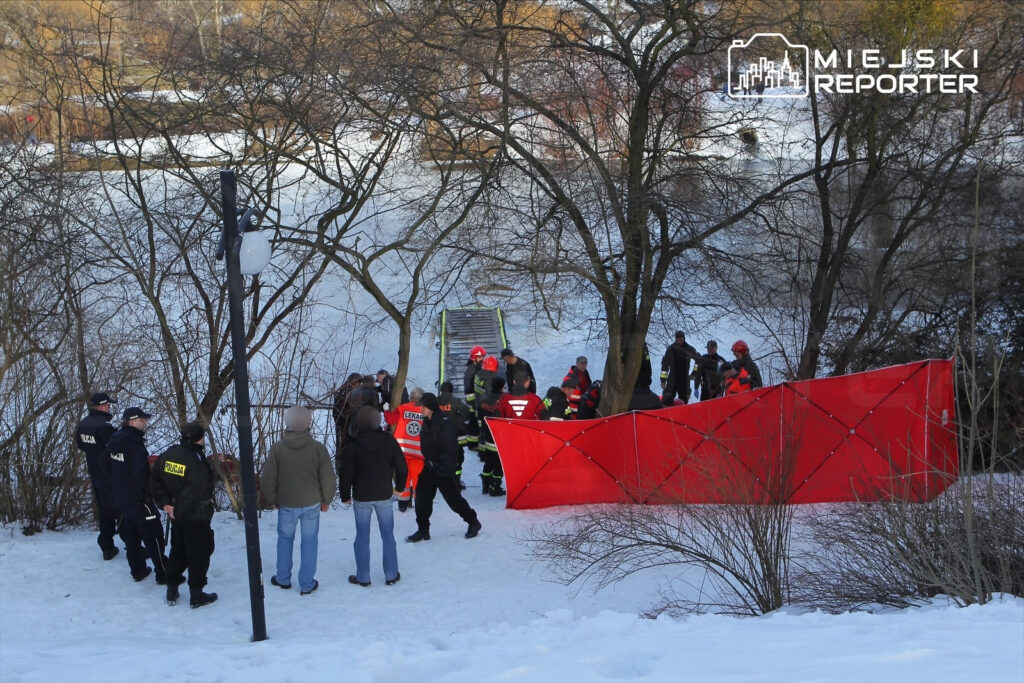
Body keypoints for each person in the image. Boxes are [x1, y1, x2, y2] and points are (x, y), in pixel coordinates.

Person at [262, 406, 336, 596]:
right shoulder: (318, 449)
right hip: (311, 503)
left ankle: (283, 578)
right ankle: (306, 583)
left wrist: (272, 498)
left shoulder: (278, 448)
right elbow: (328, 477)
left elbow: (269, 477)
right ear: (308, 423)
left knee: (285, 540)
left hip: (286, 503)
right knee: (310, 542)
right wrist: (327, 499)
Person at [150, 421, 217, 608]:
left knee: (178, 551)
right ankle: (197, 594)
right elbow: (193, 493)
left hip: (177, 515)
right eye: (202, 437)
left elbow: (155, 480)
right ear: (198, 439)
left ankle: (172, 589)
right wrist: (175, 510)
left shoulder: (168, 454)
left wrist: (166, 504)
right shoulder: (196, 462)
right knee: (200, 553)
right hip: (195, 516)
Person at [338, 405, 407, 587]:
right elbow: (401, 465)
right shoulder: (388, 441)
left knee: (362, 536)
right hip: (384, 494)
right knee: (388, 535)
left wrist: (345, 494)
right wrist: (400, 487)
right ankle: (391, 574)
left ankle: (363, 576)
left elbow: (346, 473)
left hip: (362, 497)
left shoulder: (352, 446)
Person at [405, 393, 481, 542]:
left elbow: (451, 450)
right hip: (429, 467)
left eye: (423, 406)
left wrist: (443, 470)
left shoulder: (445, 424)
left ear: (431, 407)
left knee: (455, 502)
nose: (420, 409)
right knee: (421, 500)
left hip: (443, 470)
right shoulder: (426, 421)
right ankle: (423, 530)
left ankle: (473, 522)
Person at [108, 406, 167, 584]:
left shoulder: (114, 440)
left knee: (131, 535)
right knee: (154, 536)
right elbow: (140, 474)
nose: (145, 424)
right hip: (139, 499)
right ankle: (163, 573)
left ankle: (138, 570)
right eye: (142, 421)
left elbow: (106, 465)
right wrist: (152, 492)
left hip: (122, 497)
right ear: (132, 422)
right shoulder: (134, 445)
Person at [75, 392, 120, 561]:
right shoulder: (104, 427)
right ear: (101, 406)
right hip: (110, 475)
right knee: (120, 510)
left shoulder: (83, 424)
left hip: (95, 473)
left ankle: (106, 545)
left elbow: (81, 445)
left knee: (104, 510)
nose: (109, 408)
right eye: (108, 405)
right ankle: (131, 545)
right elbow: (114, 449)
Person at [384, 388, 425, 512]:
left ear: (410, 397)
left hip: (402, 451)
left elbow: (390, 420)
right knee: (419, 480)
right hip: (419, 452)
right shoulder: (425, 410)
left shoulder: (402, 408)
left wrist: (386, 409)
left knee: (404, 478)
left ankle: (402, 505)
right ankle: (421, 505)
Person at [437, 382, 470, 489]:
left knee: (440, 458)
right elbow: (466, 412)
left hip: (439, 437)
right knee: (458, 458)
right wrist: (459, 420)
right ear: (451, 390)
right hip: (455, 436)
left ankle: (442, 481)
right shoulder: (455, 401)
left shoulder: (435, 402)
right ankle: (456, 482)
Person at [477, 375, 506, 495]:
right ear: (501, 388)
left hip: (487, 434)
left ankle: (485, 484)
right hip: (499, 435)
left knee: (488, 461)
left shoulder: (483, 398)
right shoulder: (503, 400)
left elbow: (479, 416)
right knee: (499, 463)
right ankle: (495, 487)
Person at [660, 331, 701, 406]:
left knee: (683, 402)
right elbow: (665, 366)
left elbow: (698, 361)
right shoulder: (670, 349)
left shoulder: (689, 349)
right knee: (665, 401)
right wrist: (663, 380)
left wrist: (694, 373)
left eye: (680, 340)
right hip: (672, 379)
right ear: (675, 339)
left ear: (684, 339)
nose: (679, 342)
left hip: (684, 380)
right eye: (677, 340)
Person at [332, 372, 363, 456]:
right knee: (344, 448)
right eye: (359, 383)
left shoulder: (344, 391)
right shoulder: (346, 392)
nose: (360, 385)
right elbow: (339, 411)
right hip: (344, 426)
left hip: (345, 425)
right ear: (354, 383)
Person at [463, 346, 487, 450]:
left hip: (477, 401)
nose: (482, 358)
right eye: (480, 356)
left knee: (474, 422)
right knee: (473, 422)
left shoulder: (476, 368)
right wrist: (473, 402)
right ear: (474, 357)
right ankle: (472, 444)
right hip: (474, 402)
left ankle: (473, 443)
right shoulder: (471, 370)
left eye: (483, 356)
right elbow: (468, 388)